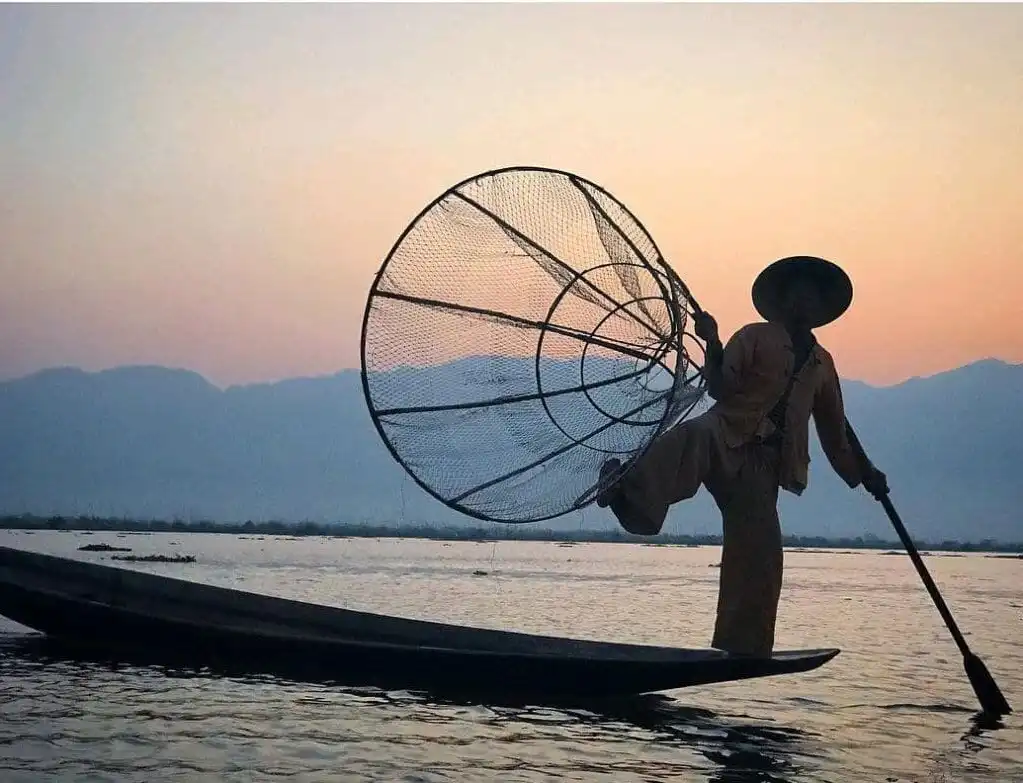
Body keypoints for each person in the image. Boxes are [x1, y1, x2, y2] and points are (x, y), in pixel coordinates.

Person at [595, 255, 888, 657]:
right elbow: (720, 387)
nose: (803, 305)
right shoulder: (754, 336)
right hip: (725, 432)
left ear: (821, 309)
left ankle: (741, 647)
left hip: (763, 465)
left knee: (760, 556)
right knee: (689, 438)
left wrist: (867, 473)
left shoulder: (823, 365)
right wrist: (713, 340)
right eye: (796, 296)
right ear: (783, 303)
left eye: (811, 298)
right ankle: (623, 485)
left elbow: (836, 434)